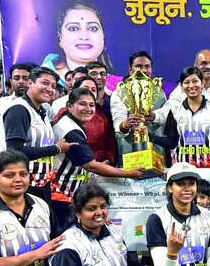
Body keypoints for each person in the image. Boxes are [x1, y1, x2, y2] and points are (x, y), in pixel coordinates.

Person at [47, 87, 143, 233]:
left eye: (91, 105)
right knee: (65, 238)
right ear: (70, 106)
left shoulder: (69, 122)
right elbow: (91, 166)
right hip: (62, 195)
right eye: (82, 104)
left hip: (66, 193)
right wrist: (129, 173)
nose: (88, 109)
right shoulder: (71, 131)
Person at [0, 66, 77, 203]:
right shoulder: (19, 109)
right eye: (44, 83)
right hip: (21, 185)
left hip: (40, 184)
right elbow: (15, 151)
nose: (49, 89)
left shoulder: (43, 111)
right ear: (30, 83)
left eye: (53, 86)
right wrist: (56, 149)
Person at [152, 67, 210, 169]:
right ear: (181, 86)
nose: (191, 86)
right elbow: (172, 142)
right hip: (183, 171)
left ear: (202, 83)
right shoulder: (175, 110)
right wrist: (151, 137)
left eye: (195, 81)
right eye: (186, 82)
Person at [110, 51, 168, 163]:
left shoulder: (160, 92)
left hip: (156, 153)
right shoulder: (119, 92)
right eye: (139, 66)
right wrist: (126, 124)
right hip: (130, 153)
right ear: (130, 70)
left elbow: (165, 118)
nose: (144, 70)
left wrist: (153, 116)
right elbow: (118, 125)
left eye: (147, 66)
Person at [55, 0, 112, 79]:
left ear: (103, 36)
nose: (84, 37)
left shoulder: (118, 85)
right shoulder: (47, 81)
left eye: (93, 28)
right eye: (73, 28)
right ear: (60, 38)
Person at [166, 49, 210, 115]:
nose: (209, 67)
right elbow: (167, 113)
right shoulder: (181, 91)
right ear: (195, 65)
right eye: (204, 63)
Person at [82, 61, 117, 164]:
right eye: (94, 74)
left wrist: (109, 159)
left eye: (102, 74)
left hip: (111, 155)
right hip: (85, 156)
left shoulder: (114, 101)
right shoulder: (78, 105)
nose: (99, 77)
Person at [0, 64, 36, 138]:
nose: (21, 81)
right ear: (11, 81)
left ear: (32, 81)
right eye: (16, 78)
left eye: (25, 78)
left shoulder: (43, 107)